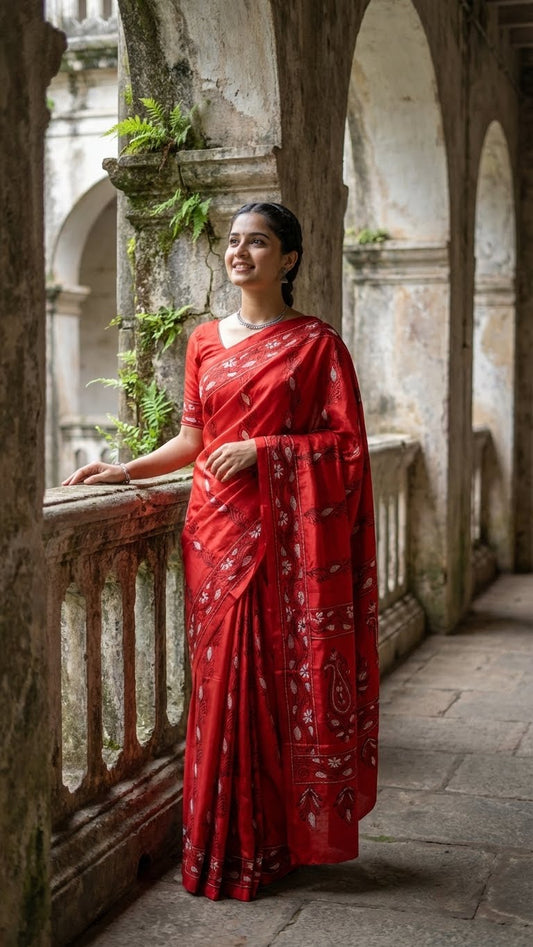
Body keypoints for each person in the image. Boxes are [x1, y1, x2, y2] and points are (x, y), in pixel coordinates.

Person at [63, 202, 379, 902]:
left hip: (279, 539)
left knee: (265, 687)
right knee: (217, 691)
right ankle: (216, 848)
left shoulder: (317, 344)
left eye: (256, 242)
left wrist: (267, 451)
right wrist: (124, 469)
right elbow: (192, 440)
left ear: (287, 259)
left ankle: (268, 845)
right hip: (212, 532)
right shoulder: (204, 339)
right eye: (233, 241)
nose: (239, 252)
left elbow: (348, 451)